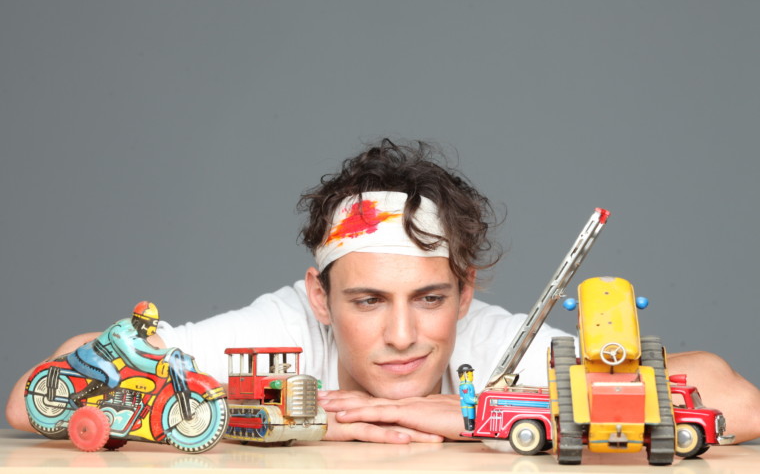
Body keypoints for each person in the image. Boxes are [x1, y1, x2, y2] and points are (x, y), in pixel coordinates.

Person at [7, 139, 760, 444]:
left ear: (465, 292)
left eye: (429, 298)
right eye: (367, 301)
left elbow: (734, 398)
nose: (403, 334)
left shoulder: (496, 345)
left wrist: (476, 415)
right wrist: (292, 422)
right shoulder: (283, 330)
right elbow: (39, 392)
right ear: (320, 298)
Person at [67, 301, 167, 402]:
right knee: (113, 379)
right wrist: (156, 366)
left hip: (100, 359)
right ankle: (77, 398)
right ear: (138, 321)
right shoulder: (122, 331)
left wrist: (163, 355)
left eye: (155, 323)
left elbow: (146, 349)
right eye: (151, 324)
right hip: (90, 357)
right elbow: (132, 357)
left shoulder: (136, 332)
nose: (153, 329)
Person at [457, 364, 477, 431]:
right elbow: (467, 399)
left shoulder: (468, 385)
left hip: (470, 408)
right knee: (470, 423)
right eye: (471, 375)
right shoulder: (465, 386)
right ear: (465, 375)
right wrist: (477, 400)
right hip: (468, 409)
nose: (472, 376)